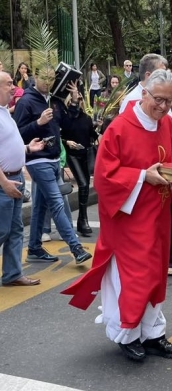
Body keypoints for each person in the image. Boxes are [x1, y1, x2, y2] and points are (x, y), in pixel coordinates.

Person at [62, 69, 172, 361]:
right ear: (144, 93)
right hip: (129, 218)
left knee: (156, 273)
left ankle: (153, 332)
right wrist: (143, 176)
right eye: (158, 99)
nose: (163, 107)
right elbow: (104, 177)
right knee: (133, 276)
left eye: (169, 101)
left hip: (159, 213)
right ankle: (126, 333)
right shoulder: (120, 127)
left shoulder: (166, 123)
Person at [13, 65, 92, 265]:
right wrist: (38, 123)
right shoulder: (26, 101)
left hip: (54, 159)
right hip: (38, 160)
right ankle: (76, 247)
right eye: (44, 78)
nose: (48, 83)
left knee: (40, 205)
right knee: (57, 203)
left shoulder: (54, 101)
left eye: (52, 79)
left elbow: (68, 125)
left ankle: (34, 248)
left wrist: (74, 102)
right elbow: (17, 134)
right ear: (35, 77)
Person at [0, 71, 44, 287]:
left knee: (15, 230)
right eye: (8, 84)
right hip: (4, 182)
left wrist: (28, 148)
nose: (13, 87)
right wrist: (4, 183)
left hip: (15, 178)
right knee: (3, 230)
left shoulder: (5, 113)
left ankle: (12, 274)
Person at [61, 93, 99, 236]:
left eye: (80, 99)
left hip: (84, 154)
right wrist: (66, 142)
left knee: (86, 187)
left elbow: (91, 135)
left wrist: (97, 129)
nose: (78, 102)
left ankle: (82, 219)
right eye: (74, 100)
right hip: (72, 155)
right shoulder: (66, 118)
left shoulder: (86, 118)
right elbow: (59, 135)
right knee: (83, 184)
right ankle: (83, 220)